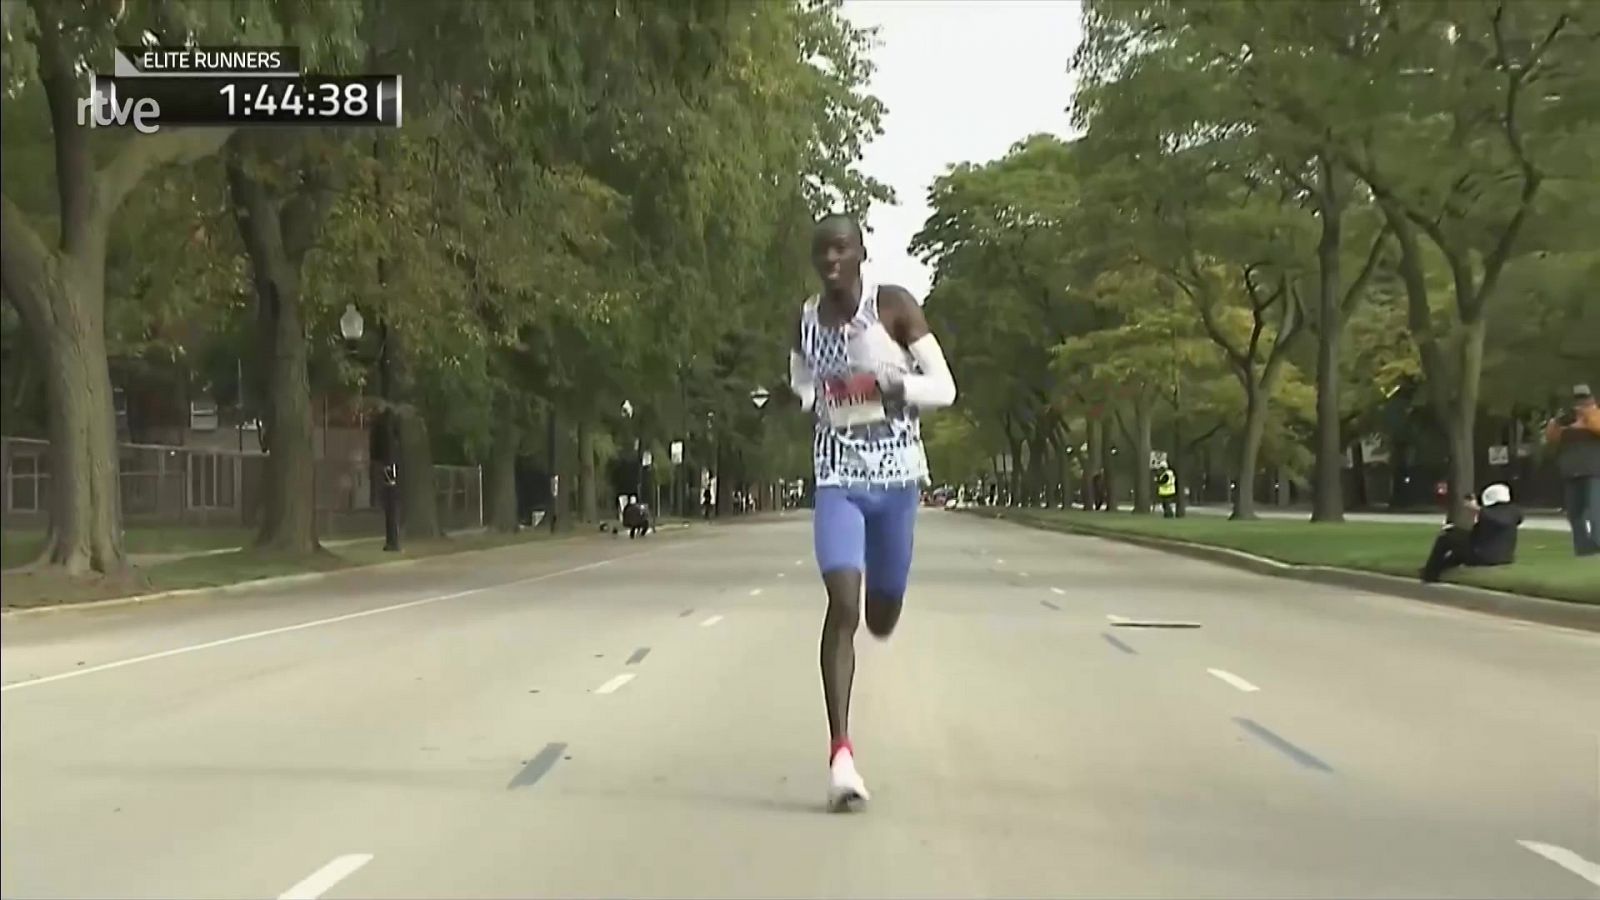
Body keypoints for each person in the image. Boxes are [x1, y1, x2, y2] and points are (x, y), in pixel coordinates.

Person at [788, 213, 957, 812]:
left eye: (840, 249)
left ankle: (888, 605)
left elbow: (945, 387)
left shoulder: (894, 307)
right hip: (837, 479)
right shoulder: (807, 320)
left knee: (881, 615)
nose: (831, 260)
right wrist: (815, 398)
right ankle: (841, 756)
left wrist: (894, 389)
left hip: (898, 482)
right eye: (821, 252)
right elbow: (803, 382)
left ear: (860, 251)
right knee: (843, 605)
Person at [1419, 483, 1523, 583]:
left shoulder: (1497, 514)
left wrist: (1478, 510)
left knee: (1444, 540)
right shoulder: (1512, 511)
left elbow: (1497, 519)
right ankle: (1435, 569)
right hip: (1501, 556)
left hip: (1484, 557)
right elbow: (1479, 533)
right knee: (1456, 545)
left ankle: (1429, 574)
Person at [1543, 383, 1600, 557]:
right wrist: (1556, 422)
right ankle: (1583, 547)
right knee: (1575, 512)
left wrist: (1587, 415)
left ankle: (1598, 542)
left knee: (1594, 510)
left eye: (1584, 399)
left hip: (1593, 471)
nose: (1580, 403)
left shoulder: (1595, 415)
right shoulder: (1566, 421)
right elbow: (1551, 438)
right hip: (1570, 470)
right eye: (1577, 400)